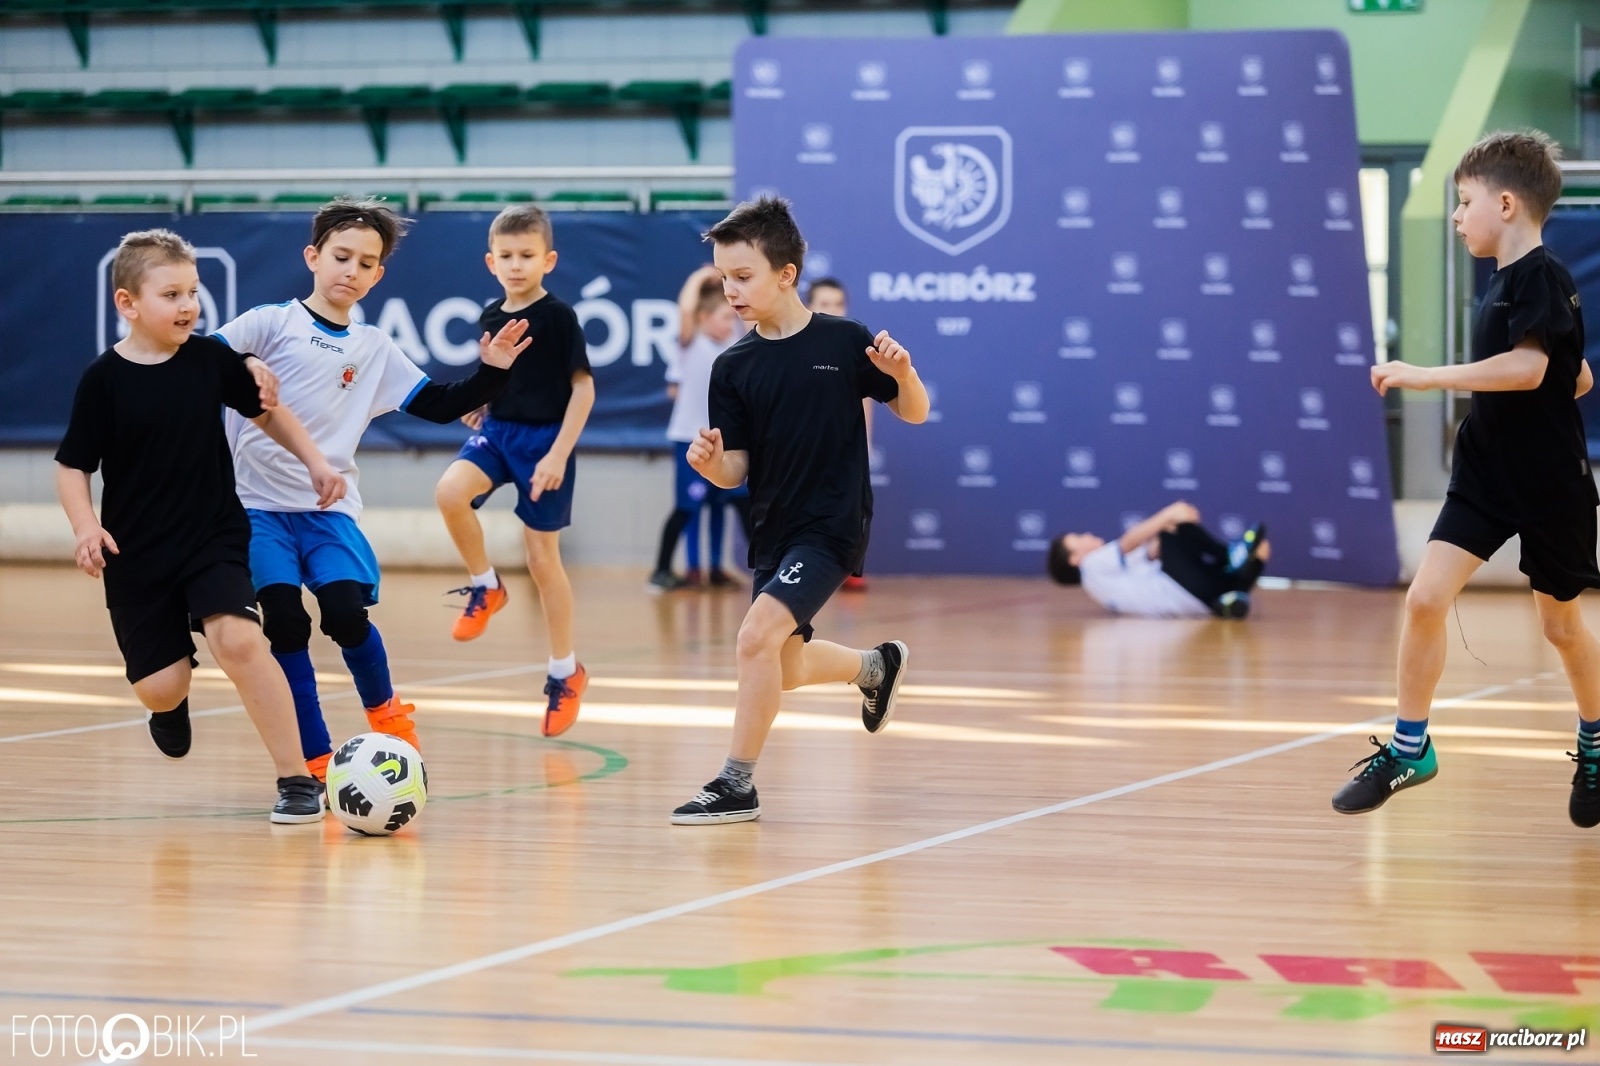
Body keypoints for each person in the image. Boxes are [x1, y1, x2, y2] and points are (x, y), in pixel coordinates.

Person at [1329, 130, 1600, 827]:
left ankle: (1597, 744)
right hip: (1486, 474)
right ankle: (1410, 749)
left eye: (1463, 200)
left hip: (1551, 485)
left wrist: (1425, 376)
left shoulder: (1542, 275)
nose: (1455, 215)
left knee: (1561, 626)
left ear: (1505, 204)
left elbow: (1532, 370)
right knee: (1425, 599)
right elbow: (1578, 377)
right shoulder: (1505, 283)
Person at [213, 197, 529, 782]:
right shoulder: (267, 324)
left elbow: (438, 404)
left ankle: (389, 718)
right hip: (255, 509)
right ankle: (313, 756)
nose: (351, 271)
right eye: (341, 257)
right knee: (285, 622)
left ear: (378, 275)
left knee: (344, 614)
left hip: (328, 511)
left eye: (365, 263)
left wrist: (493, 373)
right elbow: (200, 361)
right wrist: (243, 366)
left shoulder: (373, 347)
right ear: (312, 257)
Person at [56, 228, 346, 823]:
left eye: (193, 292)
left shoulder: (211, 359)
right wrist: (86, 528)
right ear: (128, 303)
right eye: (171, 295)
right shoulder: (103, 380)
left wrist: (316, 462)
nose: (188, 305)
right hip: (136, 553)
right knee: (160, 685)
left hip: (213, 536)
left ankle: (297, 778)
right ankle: (168, 705)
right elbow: (72, 466)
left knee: (239, 639)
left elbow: (266, 412)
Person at [670, 197, 931, 825]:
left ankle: (736, 784)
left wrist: (904, 374)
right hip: (773, 530)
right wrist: (711, 465)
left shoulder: (845, 340)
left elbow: (914, 412)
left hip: (832, 523)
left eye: (743, 276)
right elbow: (736, 468)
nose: (731, 290)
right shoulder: (733, 366)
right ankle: (875, 667)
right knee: (782, 665)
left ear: (786, 273)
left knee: (753, 638)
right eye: (724, 278)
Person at [433, 205, 595, 737]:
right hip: (500, 433)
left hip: (546, 442)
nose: (516, 264)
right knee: (450, 492)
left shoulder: (559, 317)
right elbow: (499, 375)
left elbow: (583, 389)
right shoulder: (489, 316)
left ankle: (565, 671)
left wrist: (558, 455)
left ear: (548, 260)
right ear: (491, 262)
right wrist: (481, 400)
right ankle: (486, 586)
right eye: (506, 256)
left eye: (527, 255)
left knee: (542, 560)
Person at [649, 265, 751, 592]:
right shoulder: (690, 343)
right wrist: (700, 278)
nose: (730, 323)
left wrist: (732, 286)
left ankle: (716, 569)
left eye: (732, 317)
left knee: (722, 505)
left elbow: (749, 318)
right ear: (704, 317)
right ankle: (680, 569)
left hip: (725, 442)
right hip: (689, 440)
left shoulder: (735, 343)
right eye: (724, 317)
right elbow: (685, 309)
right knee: (689, 507)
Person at [1047, 502, 1267, 618]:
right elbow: (1129, 541)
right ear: (1075, 559)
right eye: (1078, 538)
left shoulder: (1100, 582)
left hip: (1194, 601)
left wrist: (1186, 527)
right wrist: (1171, 514)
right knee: (1170, 529)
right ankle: (1230, 555)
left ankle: (1228, 602)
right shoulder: (1090, 565)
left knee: (1262, 549)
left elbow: (1152, 552)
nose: (1086, 535)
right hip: (1182, 588)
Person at [806, 276, 870, 593]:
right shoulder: (792, 346)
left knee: (849, 510)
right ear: (808, 306)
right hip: (802, 453)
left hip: (843, 452)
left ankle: (848, 568)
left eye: (838, 304)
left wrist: (865, 444)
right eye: (824, 303)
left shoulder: (854, 346)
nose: (833, 310)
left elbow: (866, 400)